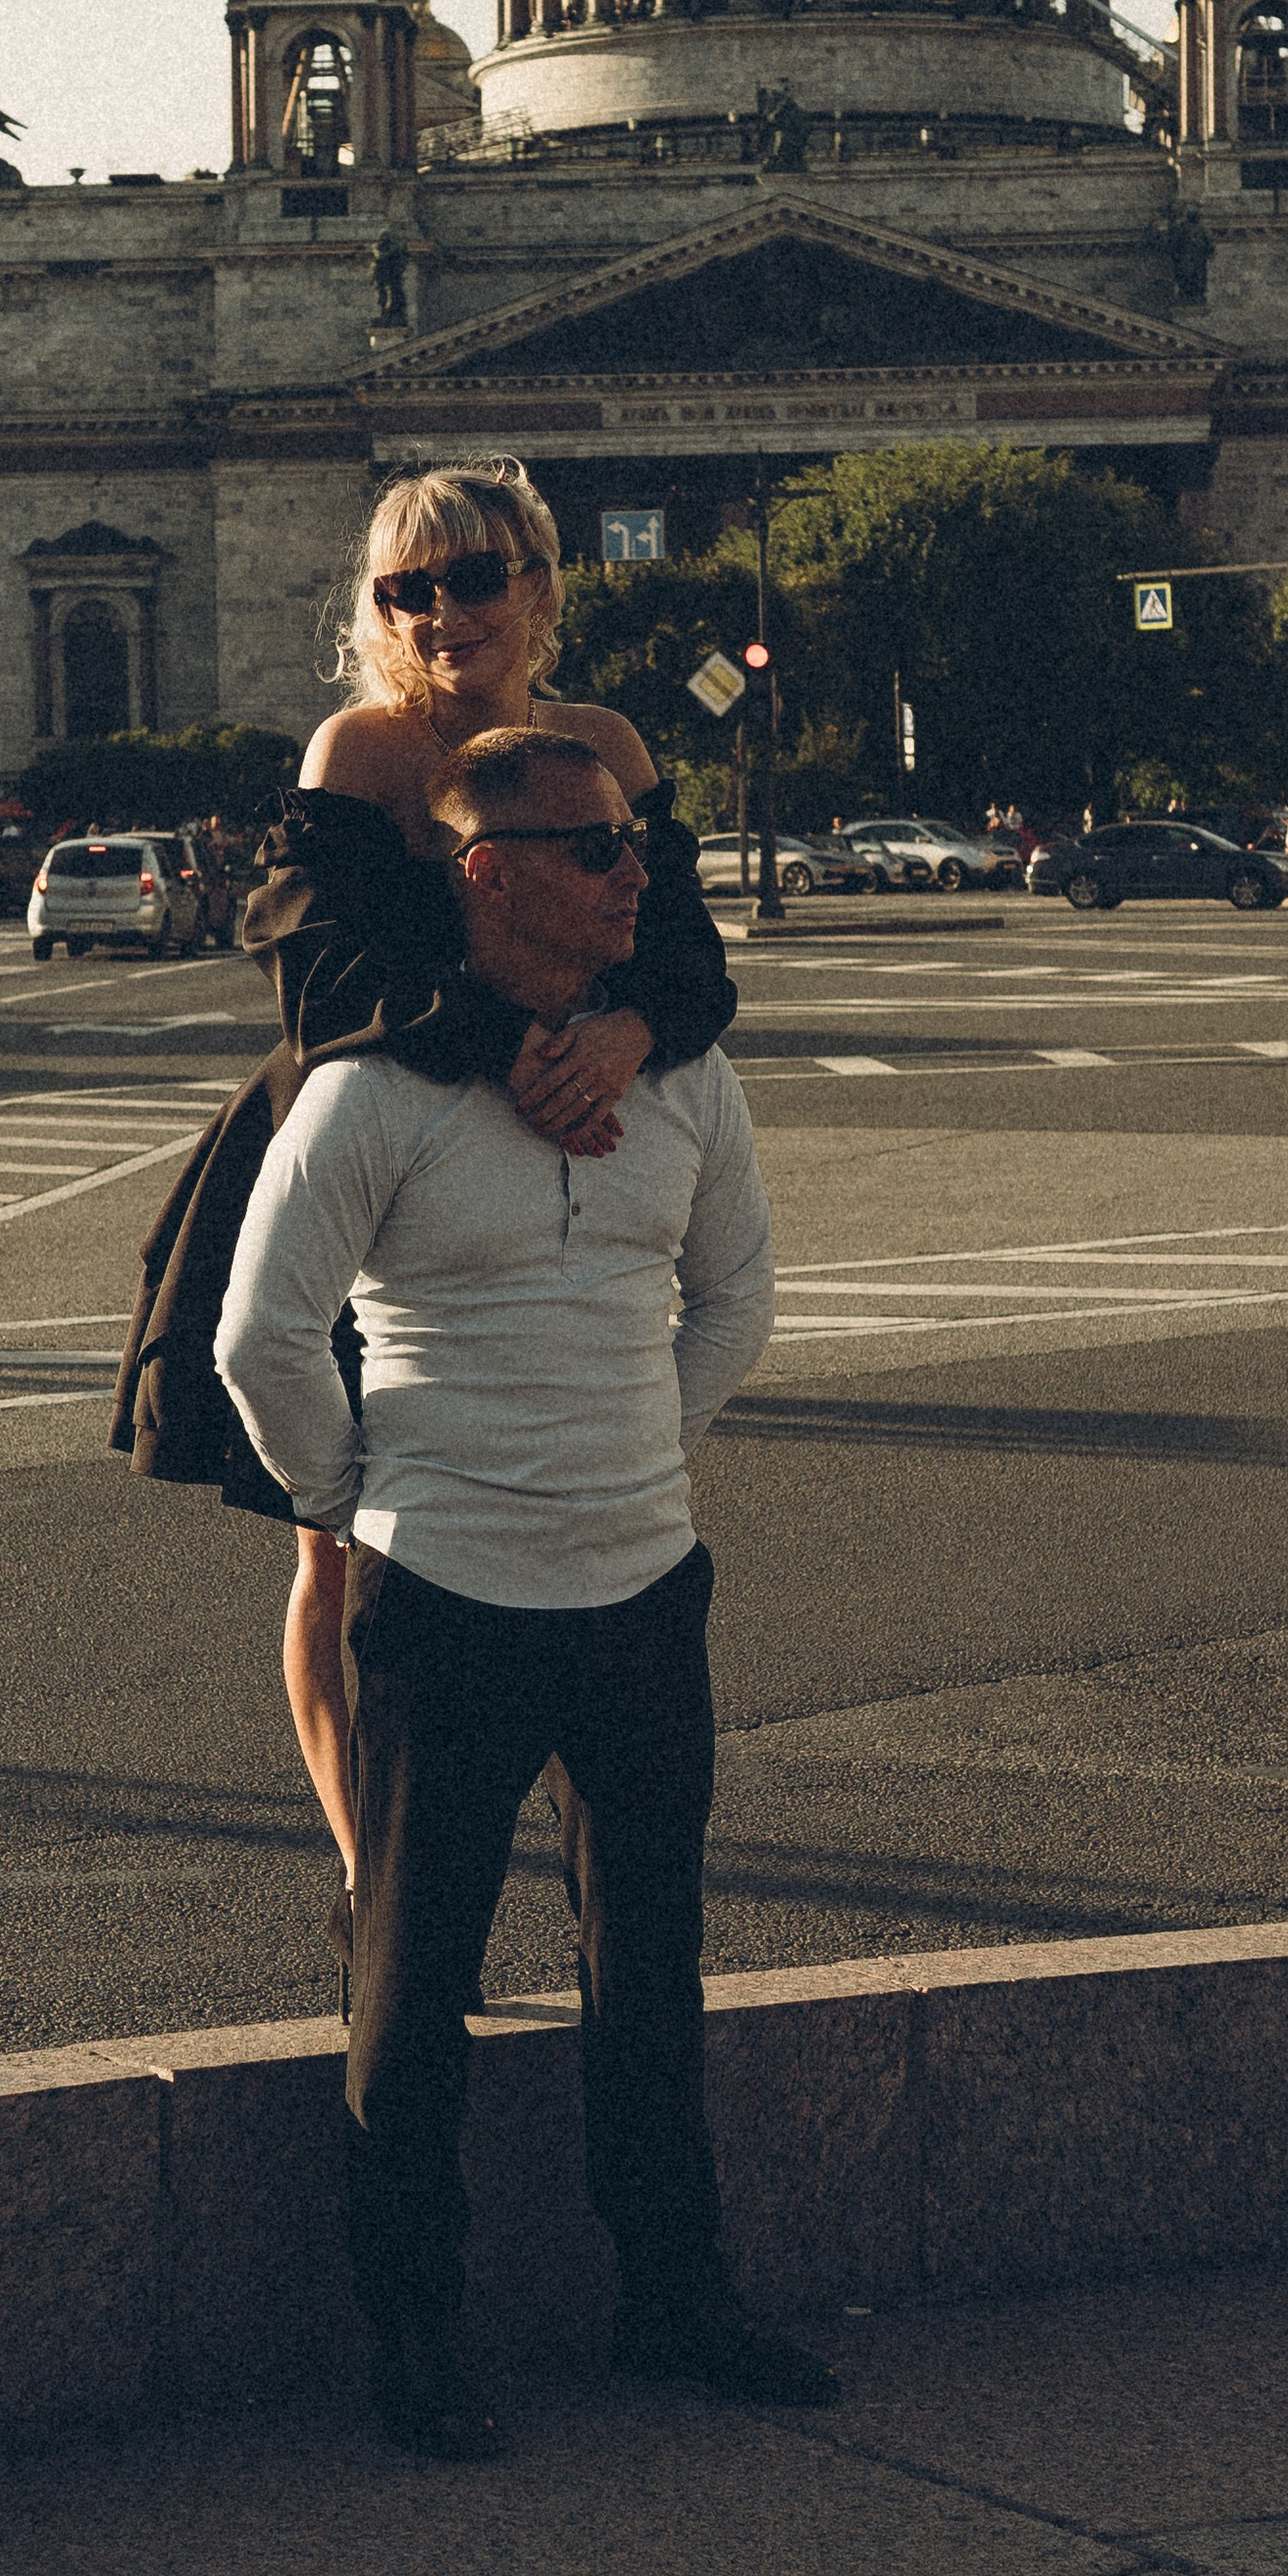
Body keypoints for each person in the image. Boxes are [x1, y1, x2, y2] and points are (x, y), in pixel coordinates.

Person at [215, 724, 835, 2460]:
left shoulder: (684, 1076)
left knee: (655, 1971)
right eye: (596, 851)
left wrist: (640, 1451)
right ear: (485, 876)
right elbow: (260, 1333)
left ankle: (678, 2298)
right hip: (446, 1588)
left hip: (645, 1579)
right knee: (417, 1981)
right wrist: (353, 1497)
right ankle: (418, 2336)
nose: (642, 873)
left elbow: (739, 1300)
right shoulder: (374, 1089)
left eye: (635, 841)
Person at [111, 463, 736, 1980]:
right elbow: (314, 971)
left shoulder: (604, 748)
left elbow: (693, 956)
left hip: (565, 1132)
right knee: (339, 1548)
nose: (444, 612)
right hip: (357, 1146)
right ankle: (366, 1873)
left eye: (474, 575)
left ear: (539, 581)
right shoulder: (361, 747)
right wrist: (511, 1047)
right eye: (408, 588)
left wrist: (628, 1040)